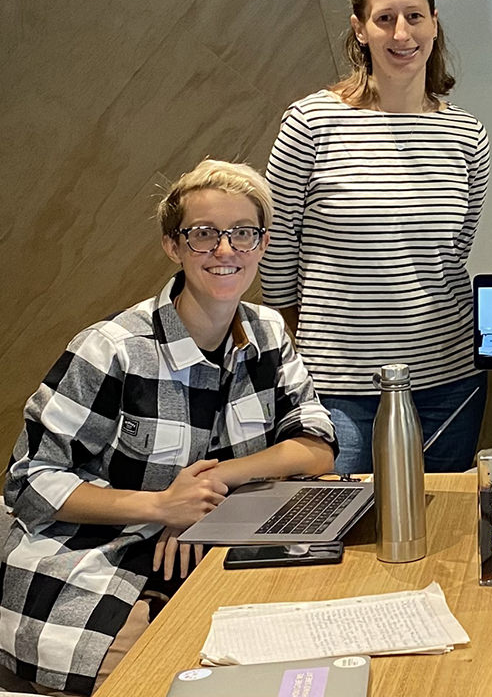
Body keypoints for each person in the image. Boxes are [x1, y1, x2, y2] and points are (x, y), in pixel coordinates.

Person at [0, 160, 337, 695]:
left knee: (306, 662)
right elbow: (28, 480)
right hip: (98, 561)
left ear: (263, 243)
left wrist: (211, 484)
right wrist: (159, 507)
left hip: (212, 551)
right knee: (153, 682)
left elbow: (317, 445)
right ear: (172, 246)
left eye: (242, 233)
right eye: (203, 235)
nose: (225, 250)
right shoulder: (112, 348)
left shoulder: (268, 330)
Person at [261, 0, 490, 474]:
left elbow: (453, 254)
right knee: (340, 535)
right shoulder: (311, 122)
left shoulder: (467, 135)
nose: (401, 33)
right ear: (360, 29)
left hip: (449, 381)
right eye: (384, 18)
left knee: (442, 534)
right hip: (338, 389)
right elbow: (275, 257)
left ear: (434, 23)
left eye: (414, 16)